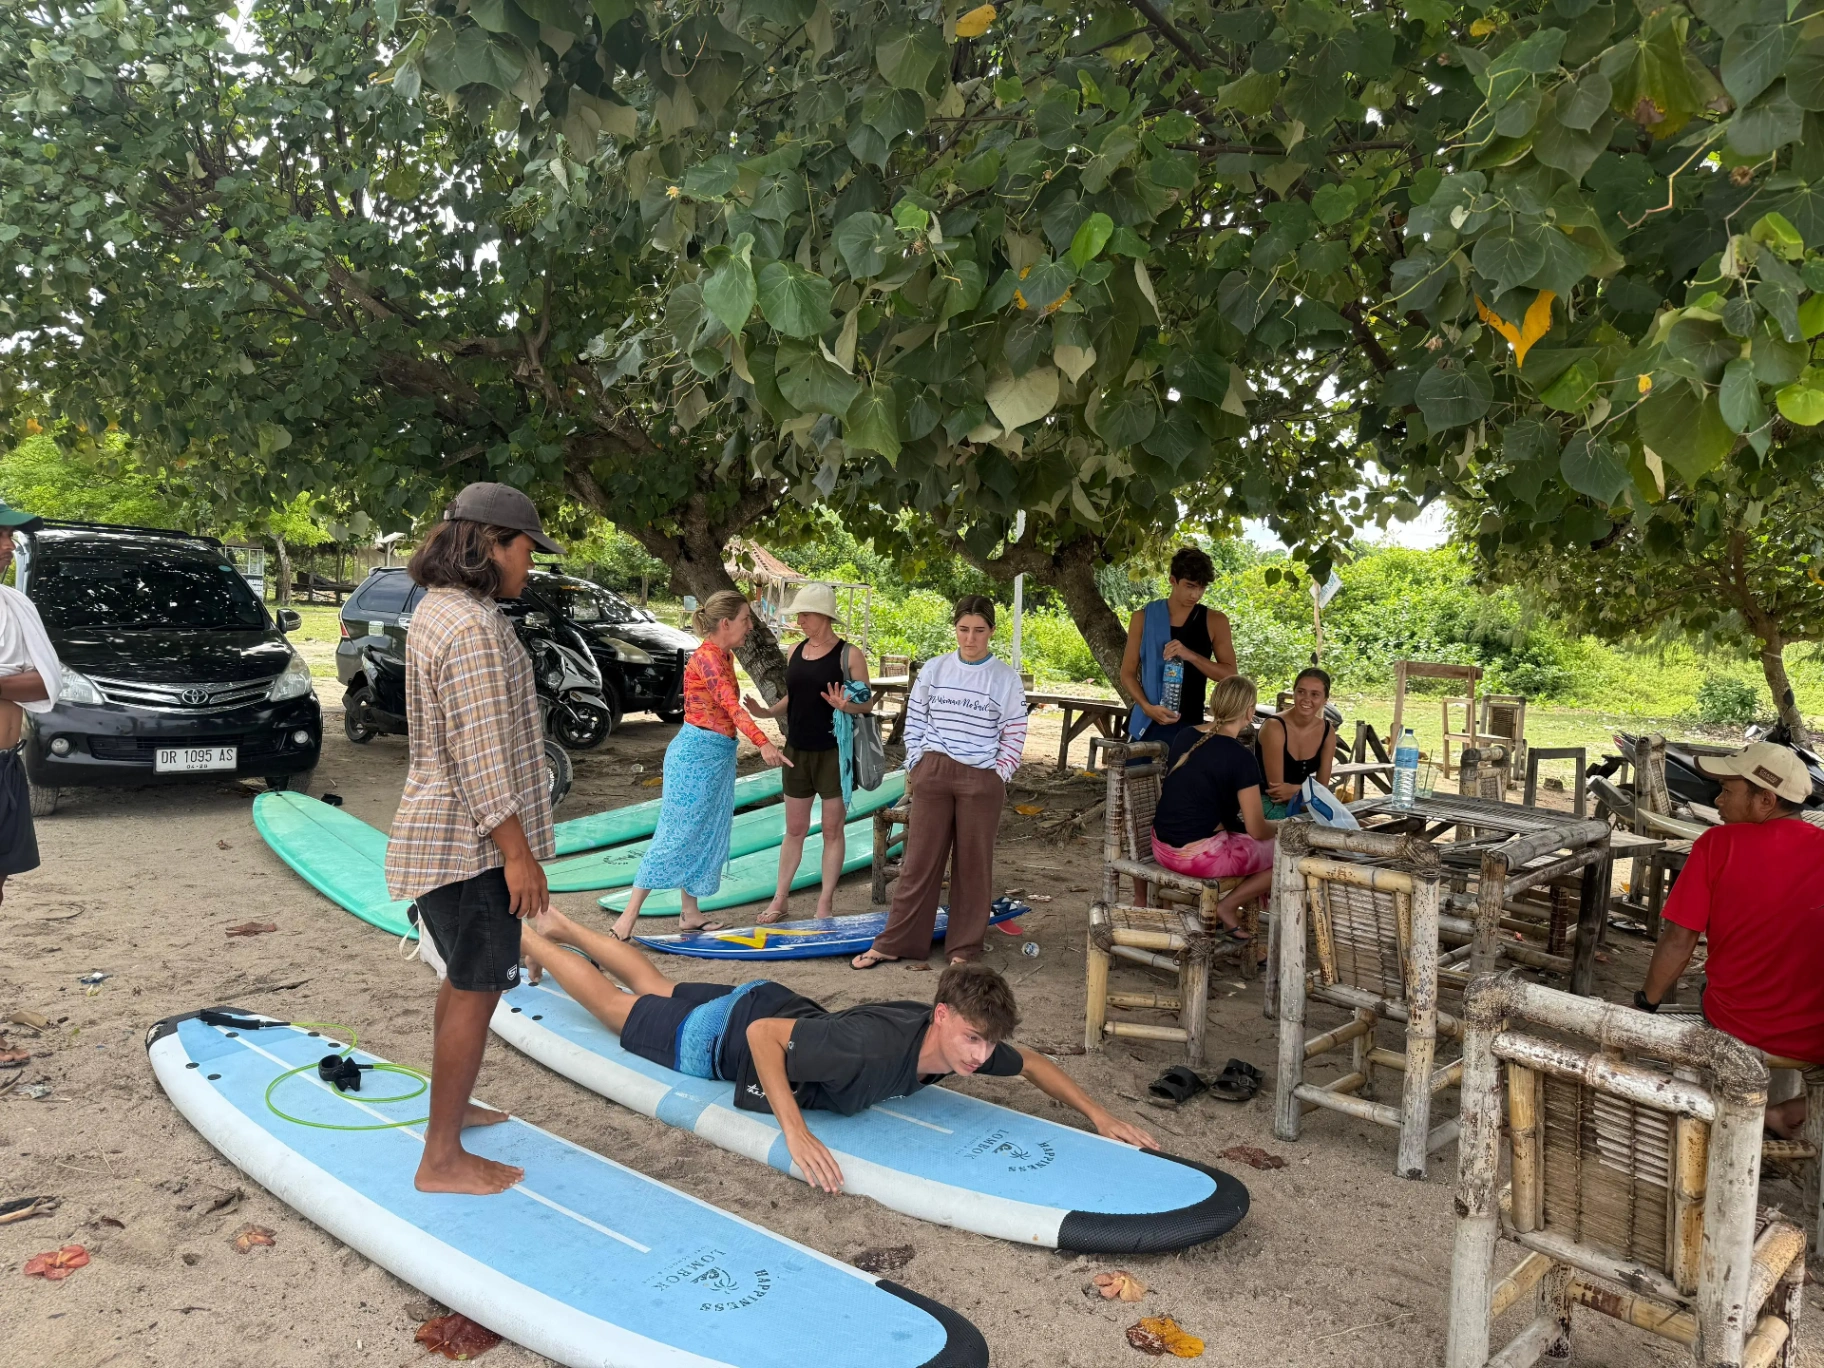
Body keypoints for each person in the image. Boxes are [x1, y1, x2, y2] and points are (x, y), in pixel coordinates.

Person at [518, 905, 1157, 1192]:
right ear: (940, 1016)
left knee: (655, 983)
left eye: (987, 1045)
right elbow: (763, 1042)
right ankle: (531, 941)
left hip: (770, 1002)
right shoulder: (868, 1049)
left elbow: (1036, 1065)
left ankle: (562, 923)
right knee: (614, 1009)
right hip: (726, 1037)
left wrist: (1098, 1115)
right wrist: (794, 1132)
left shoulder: (958, 1042)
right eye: (971, 1039)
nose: (979, 1057)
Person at [384, 483, 563, 1196]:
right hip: (473, 845)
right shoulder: (474, 631)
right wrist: (518, 856)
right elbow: (482, 759)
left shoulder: (442, 610)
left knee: (462, 981)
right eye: (526, 548)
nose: (531, 564)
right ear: (491, 543)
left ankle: (449, 1119)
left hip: (444, 834)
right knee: (476, 989)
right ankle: (441, 1157)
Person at [1632, 741, 1824, 1139]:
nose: (1718, 801)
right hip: (1815, 1037)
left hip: (1738, 1025)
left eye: (1728, 791)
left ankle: (1730, 1117)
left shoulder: (1717, 846)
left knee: (1711, 990)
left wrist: (1646, 1002)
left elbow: (1678, 942)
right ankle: (1790, 1109)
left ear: (1765, 800)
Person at [852, 595, 1028, 970]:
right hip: (934, 771)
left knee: (973, 866)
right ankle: (896, 941)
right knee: (919, 861)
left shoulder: (1005, 678)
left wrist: (1000, 772)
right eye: (964, 629)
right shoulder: (935, 669)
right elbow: (914, 718)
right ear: (956, 629)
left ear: (992, 631)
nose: (970, 638)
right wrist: (918, 763)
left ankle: (963, 949)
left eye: (979, 630)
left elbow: (1015, 730)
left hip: (982, 778)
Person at [608, 591, 791, 941]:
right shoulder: (708, 659)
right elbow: (732, 708)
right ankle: (626, 921)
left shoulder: (722, 655)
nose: (750, 626)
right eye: (745, 620)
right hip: (695, 756)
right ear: (725, 623)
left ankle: (690, 913)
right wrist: (764, 742)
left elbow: (727, 709)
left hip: (716, 754)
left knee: (704, 831)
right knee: (676, 834)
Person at [741, 583, 872, 924]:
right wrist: (767, 712)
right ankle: (780, 900)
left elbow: (867, 702)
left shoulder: (850, 654)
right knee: (794, 829)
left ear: (824, 616)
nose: (799, 620)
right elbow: (794, 698)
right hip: (796, 751)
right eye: (798, 614)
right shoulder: (794, 650)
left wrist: (848, 705)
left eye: (805, 614)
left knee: (832, 831)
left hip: (833, 753)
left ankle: (825, 904)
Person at [1149, 675, 1276, 938]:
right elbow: (1256, 829)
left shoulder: (1187, 736)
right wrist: (1281, 828)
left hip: (1161, 847)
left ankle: (1231, 911)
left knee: (1244, 842)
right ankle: (1228, 906)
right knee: (1287, 856)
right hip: (1197, 858)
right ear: (1250, 712)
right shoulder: (1241, 757)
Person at [0, 501, 62, 904]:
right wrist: (10, 682)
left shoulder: (16, 604)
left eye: (9, 536)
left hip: (6, 766)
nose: (9, 545)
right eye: (0, 535)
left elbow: (46, 683)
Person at [1119, 546, 1237, 752]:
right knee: (1138, 781)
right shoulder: (1143, 618)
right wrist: (1147, 708)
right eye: (1190, 586)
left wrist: (1191, 656)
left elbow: (1229, 674)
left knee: (1180, 783)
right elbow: (1127, 673)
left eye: (1201, 588)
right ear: (1173, 580)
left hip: (1190, 723)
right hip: (1148, 720)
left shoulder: (1215, 621)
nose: (1195, 594)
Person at [1259, 667, 1336, 820]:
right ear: (1294, 693)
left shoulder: (1327, 731)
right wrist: (1310, 792)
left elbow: (1323, 790)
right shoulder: (1275, 726)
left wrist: (1297, 790)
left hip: (1302, 803)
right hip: (1266, 802)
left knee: (1343, 828)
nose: (1306, 699)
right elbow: (1276, 791)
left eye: (1315, 694)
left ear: (1325, 700)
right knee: (1302, 832)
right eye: (1301, 692)